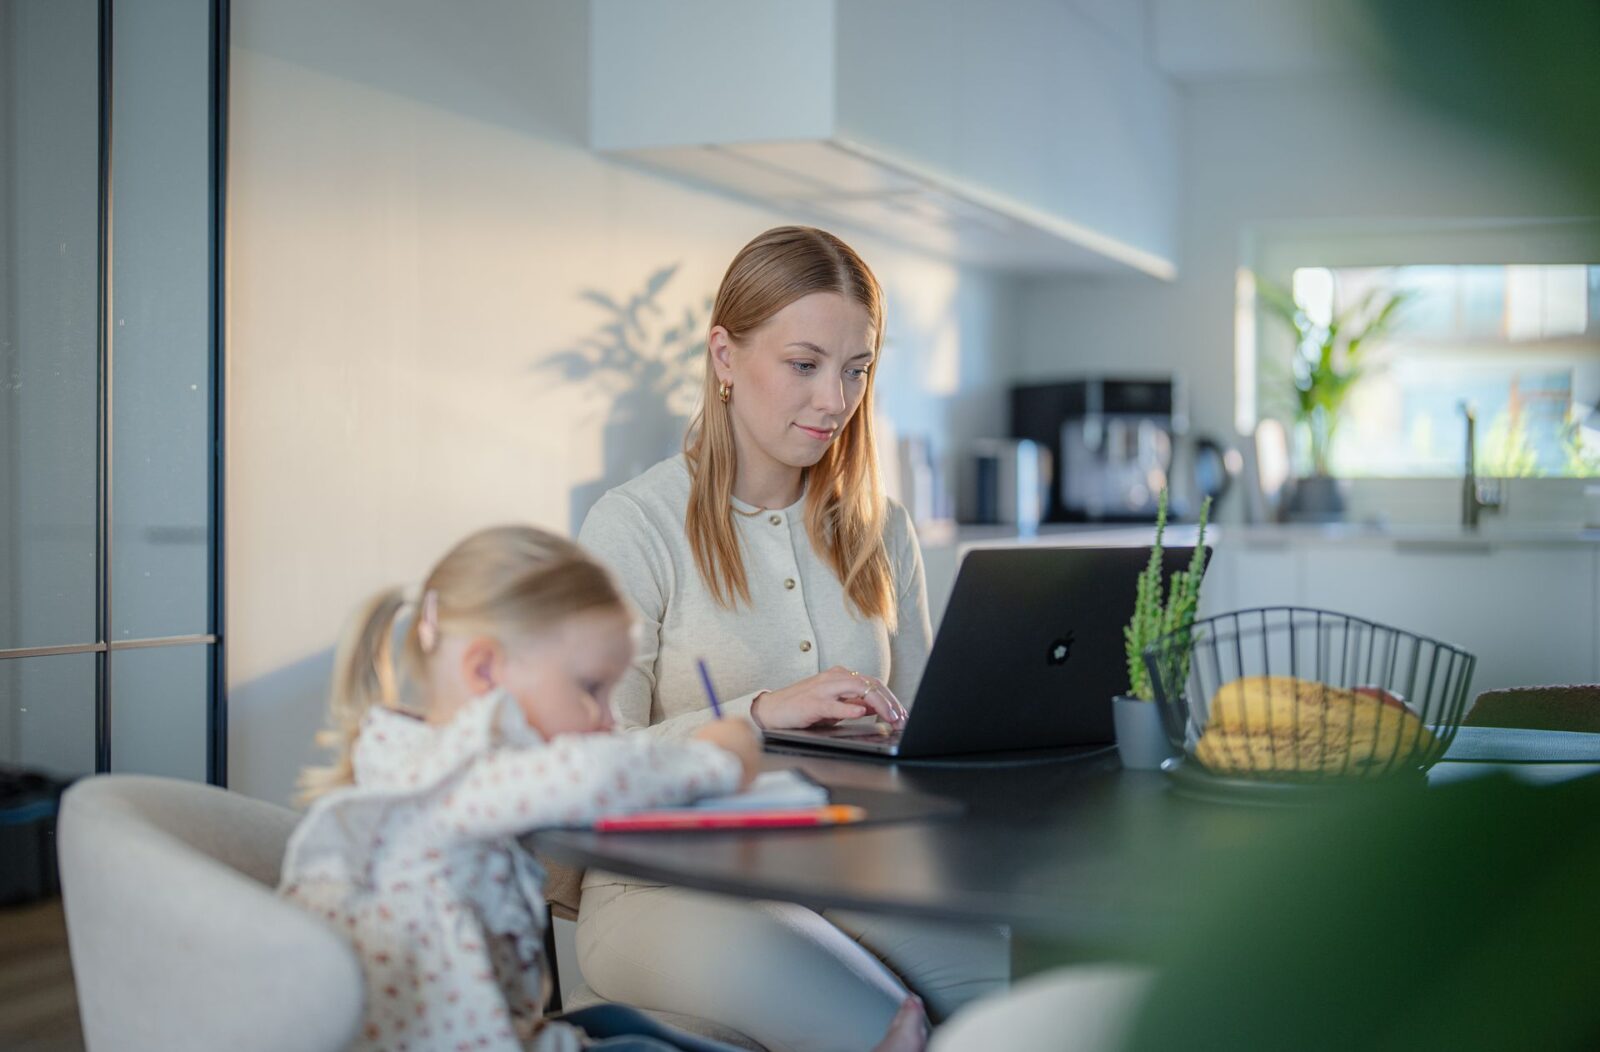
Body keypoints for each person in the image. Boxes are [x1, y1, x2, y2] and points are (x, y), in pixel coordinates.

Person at [575, 227, 1008, 1051]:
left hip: (852, 867)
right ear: (725, 357)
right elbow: (595, 763)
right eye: (804, 364)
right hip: (663, 885)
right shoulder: (635, 526)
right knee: (882, 1031)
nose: (834, 400)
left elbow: (926, 737)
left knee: (1017, 1000)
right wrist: (763, 712)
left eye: (857, 368)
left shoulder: (882, 528)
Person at [278, 524, 928, 1052]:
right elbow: (594, 774)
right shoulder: (462, 775)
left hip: (493, 1027)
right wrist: (721, 758)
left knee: (636, 1036)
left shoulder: (411, 760)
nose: (604, 717)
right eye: (589, 689)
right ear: (484, 669)